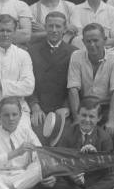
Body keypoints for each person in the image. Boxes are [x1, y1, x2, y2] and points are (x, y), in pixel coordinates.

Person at [42, 97, 114, 189]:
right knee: (50, 180)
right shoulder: (68, 133)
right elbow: (59, 160)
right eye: (84, 115)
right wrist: (72, 175)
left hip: (94, 182)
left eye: (91, 116)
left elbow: (110, 170)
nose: (87, 120)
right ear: (78, 115)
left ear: (99, 118)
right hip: (71, 183)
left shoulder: (104, 137)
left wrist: (97, 157)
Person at [27, 11, 78, 143]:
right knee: (37, 136)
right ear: (45, 27)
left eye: (58, 26)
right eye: (50, 26)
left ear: (65, 29)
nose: (54, 30)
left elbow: (76, 85)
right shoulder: (32, 51)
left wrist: (67, 107)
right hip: (39, 108)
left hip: (63, 109)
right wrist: (34, 106)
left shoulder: (74, 52)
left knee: (65, 137)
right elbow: (27, 82)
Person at [67, 23, 114, 140]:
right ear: (83, 42)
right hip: (84, 106)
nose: (92, 45)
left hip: (106, 107)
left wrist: (111, 121)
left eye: (95, 40)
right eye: (88, 41)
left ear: (104, 40)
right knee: (74, 134)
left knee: (112, 133)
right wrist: (78, 119)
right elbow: (73, 89)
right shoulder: (76, 56)